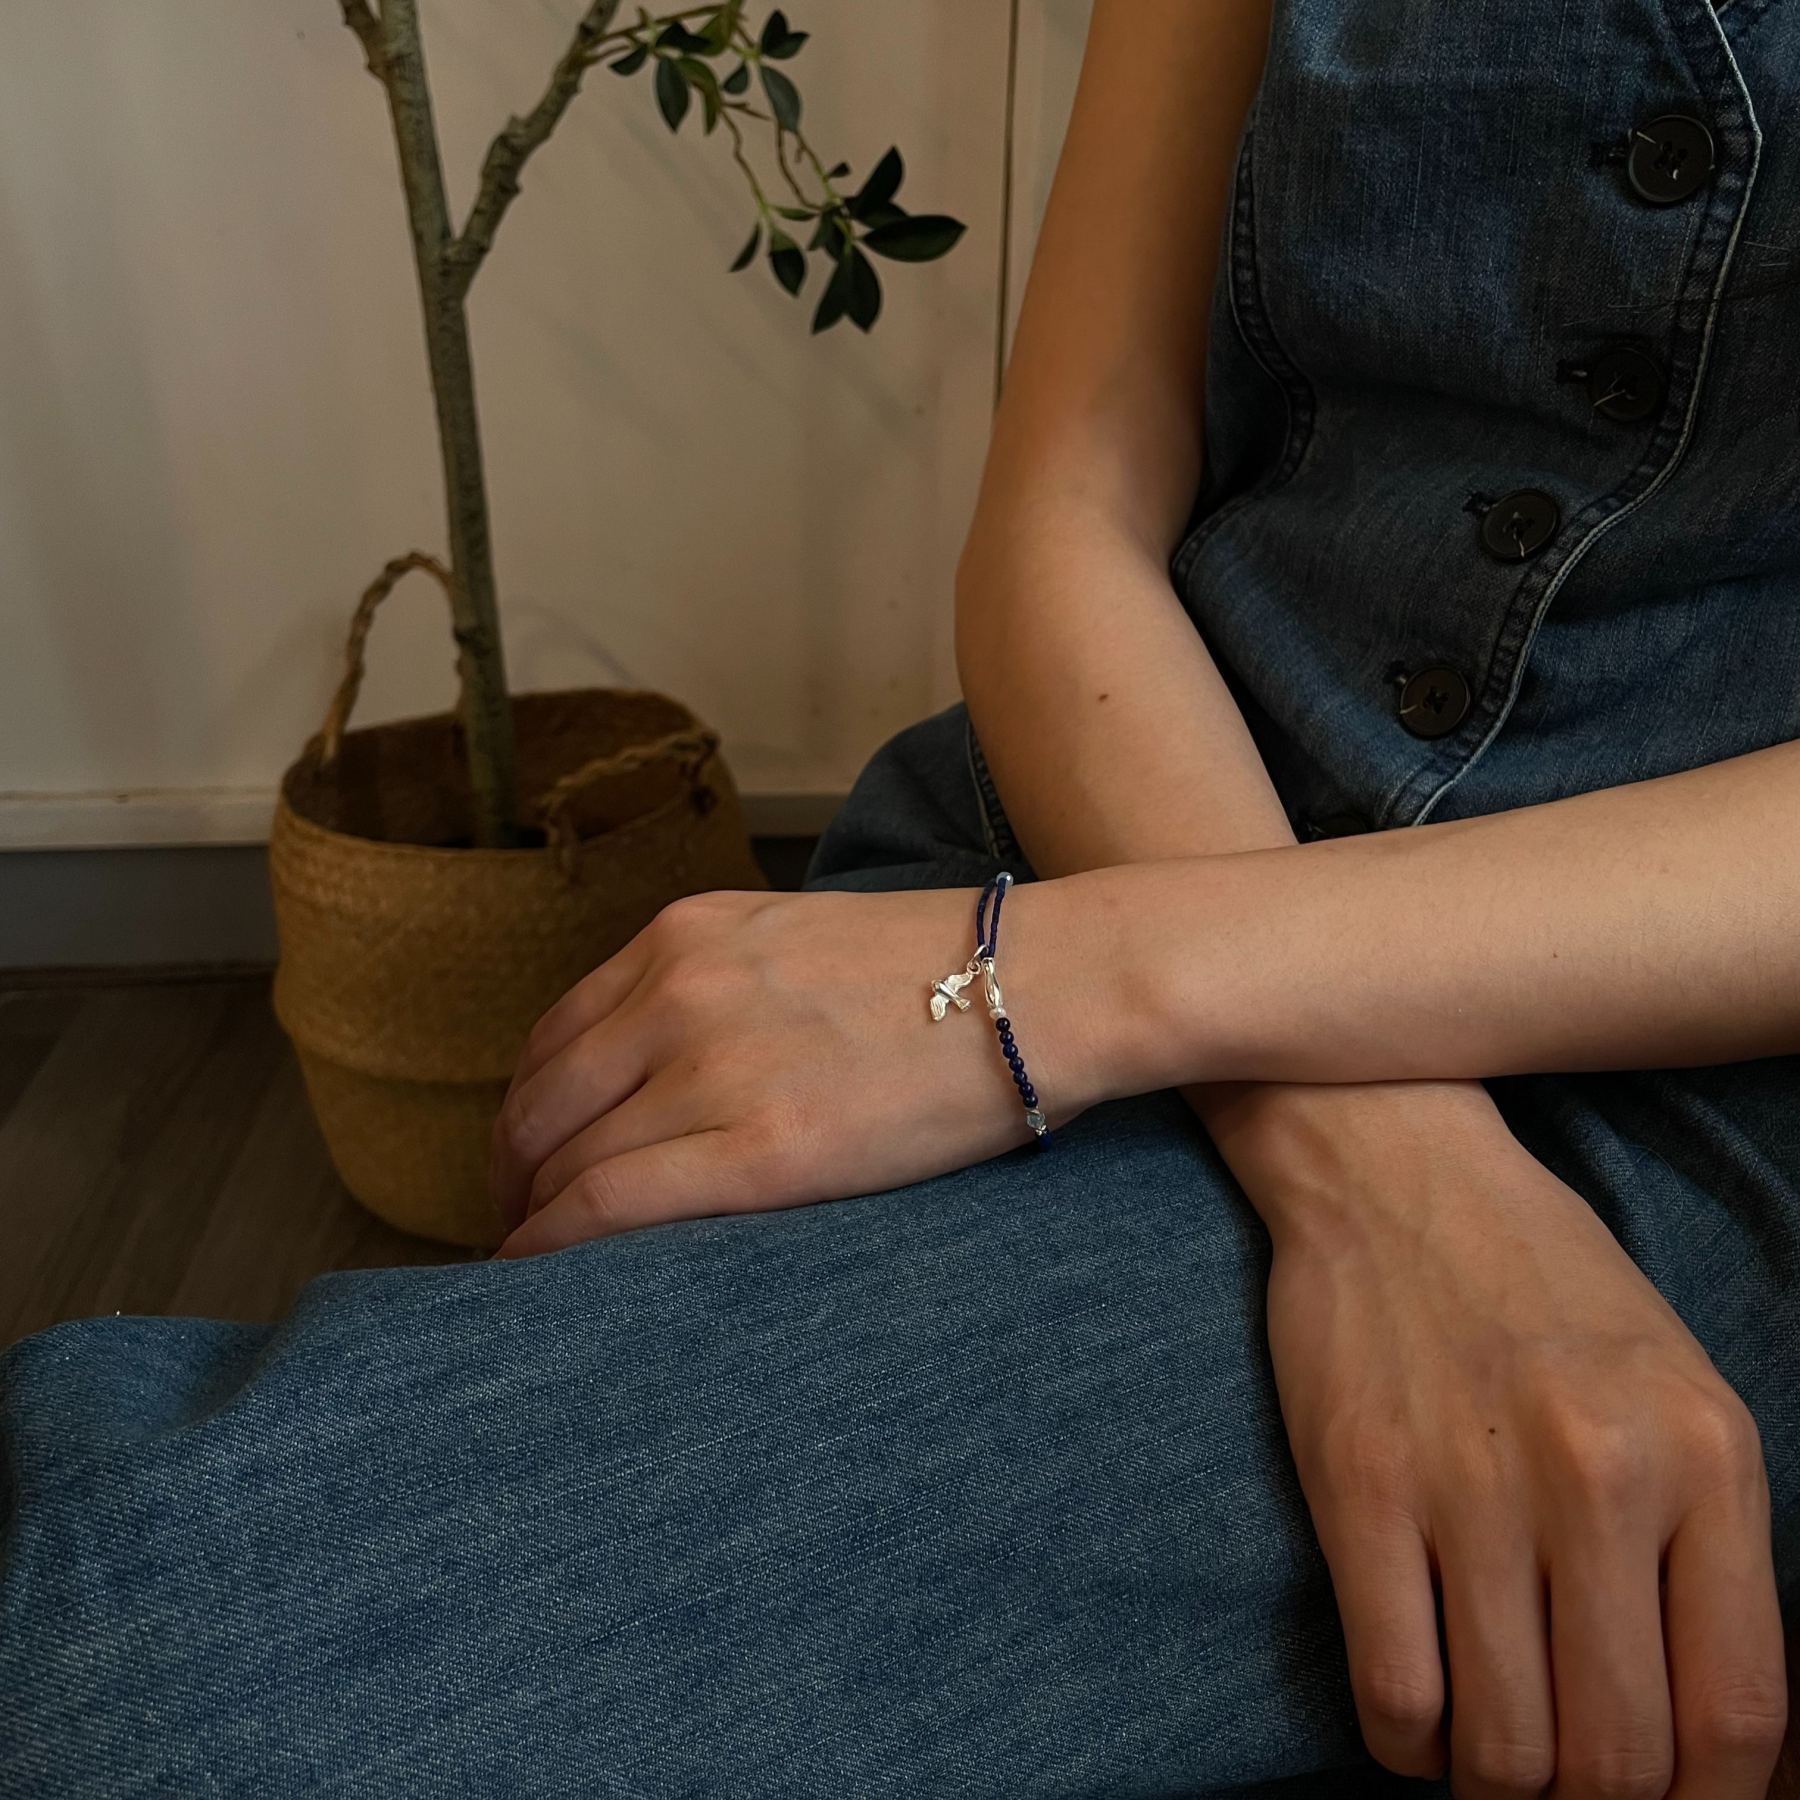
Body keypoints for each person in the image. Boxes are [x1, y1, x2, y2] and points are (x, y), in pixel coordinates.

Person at [3, 0, 1796, 1793]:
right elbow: (1071, 494)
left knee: (144, 1655)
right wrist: (1389, 1171)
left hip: (1688, 1062)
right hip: (1127, 819)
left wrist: (1064, 989)